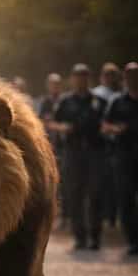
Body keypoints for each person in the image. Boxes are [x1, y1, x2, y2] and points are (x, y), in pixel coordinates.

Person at [52, 64, 107, 251]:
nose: (80, 80)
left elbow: (107, 122)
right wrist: (63, 128)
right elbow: (52, 122)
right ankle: (79, 237)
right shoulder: (66, 101)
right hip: (73, 152)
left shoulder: (99, 101)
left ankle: (95, 236)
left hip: (95, 152)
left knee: (95, 193)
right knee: (74, 194)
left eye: (84, 76)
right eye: (77, 76)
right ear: (72, 79)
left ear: (88, 79)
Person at [103, 62, 138, 255]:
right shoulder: (117, 101)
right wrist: (117, 129)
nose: (133, 79)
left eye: (136, 75)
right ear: (124, 78)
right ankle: (132, 241)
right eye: (130, 75)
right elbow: (105, 126)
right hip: (124, 157)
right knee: (126, 200)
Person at [93, 62, 123, 227]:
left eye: (113, 75)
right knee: (102, 183)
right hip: (100, 146)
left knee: (115, 183)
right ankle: (106, 216)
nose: (110, 78)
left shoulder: (121, 95)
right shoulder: (97, 95)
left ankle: (113, 216)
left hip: (118, 147)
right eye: (107, 75)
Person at [38, 73, 66, 227]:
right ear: (48, 86)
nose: (55, 87)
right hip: (50, 147)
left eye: (57, 84)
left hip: (65, 147)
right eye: (52, 84)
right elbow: (40, 122)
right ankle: (53, 215)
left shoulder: (65, 100)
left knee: (66, 181)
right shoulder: (45, 102)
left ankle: (65, 216)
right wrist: (56, 126)